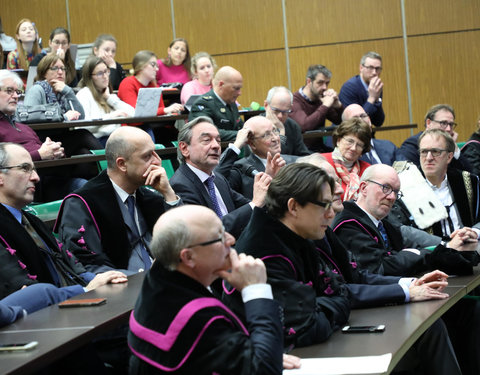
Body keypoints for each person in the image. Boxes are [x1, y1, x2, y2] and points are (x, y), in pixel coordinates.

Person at [331, 163, 480, 374]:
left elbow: (398, 257)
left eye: (396, 191)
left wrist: (411, 256)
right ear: (363, 188)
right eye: (385, 188)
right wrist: (414, 255)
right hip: (372, 311)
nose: (392, 197)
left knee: (469, 311)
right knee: (433, 327)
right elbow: (379, 268)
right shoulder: (348, 223)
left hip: (397, 297)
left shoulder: (382, 221)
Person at [128, 205, 294, 374]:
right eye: (220, 237)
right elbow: (265, 370)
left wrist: (262, 349)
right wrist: (256, 290)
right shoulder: (196, 318)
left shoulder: (158, 282)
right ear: (188, 257)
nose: (231, 240)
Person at [0, 142, 127, 300]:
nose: (36, 177)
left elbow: (72, 267)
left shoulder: (31, 221)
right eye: (25, 168)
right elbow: (23, 292)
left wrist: (98, 279)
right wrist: (85, 290)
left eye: (34, 169)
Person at [55, 126, 181, 275]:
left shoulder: (149, 196)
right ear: (122, 164)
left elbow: (184, 242)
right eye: (147, 156)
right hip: (125, 288)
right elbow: (88, 265)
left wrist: (169, 194)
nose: (157, 162)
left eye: (156, 153)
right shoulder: (81, 204)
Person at [170, 116, 271, 238]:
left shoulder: (217, 178)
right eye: (207, 140)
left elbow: (247, 204)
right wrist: (255, 204)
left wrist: (267, 188)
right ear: (185, 149)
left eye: (218, 140)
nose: (216, 146)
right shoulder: (180, 185)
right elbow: (210, 231)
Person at [0, 70, 92, 201]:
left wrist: (56, 152)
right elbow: (4, 163)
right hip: (22, 186)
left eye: (17, 92)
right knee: (83, 138)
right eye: (9, 91)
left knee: (85, 158)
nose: (15, 96)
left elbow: (48, 156)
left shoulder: (24, 128)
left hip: (49, 177)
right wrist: (40, 154)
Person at [391, 129, 480, 240]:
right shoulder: (405, 187)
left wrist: (475, 232)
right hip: (430, 252)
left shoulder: (468, 181)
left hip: (469, 246)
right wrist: (445, 245)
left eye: (435, 152)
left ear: (449, 157)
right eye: (424, 152)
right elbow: (401, 231)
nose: (428, 158)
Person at [216, 115, 296, 199]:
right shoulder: (241, 169)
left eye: (275, 131)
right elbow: (216, 178)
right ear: (252, 144)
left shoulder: (295, 161)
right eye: (267, 135)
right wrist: (238, 143)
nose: (275, 138)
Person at [118, 50, 183, 140]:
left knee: (179, 137)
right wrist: (165, 110)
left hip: (152, 125)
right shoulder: (128, 83)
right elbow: (136, 114)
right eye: (153, 65)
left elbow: (160, 112)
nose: (156, 69)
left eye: (157, 65)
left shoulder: (153, 85)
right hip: (133, 129)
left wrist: (170, 111)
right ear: (141, 66)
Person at [77, 55, 134, 145]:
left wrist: (109, 98)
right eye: (100, 73)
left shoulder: (107, 94)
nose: (105, 76)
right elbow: (84, 125)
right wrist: (112, 116)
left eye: (106, 71)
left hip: (116, 138)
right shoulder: (84, 94)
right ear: (90, 77)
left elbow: (132, 114)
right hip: (99, 141)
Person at [399, 104, 471, 171]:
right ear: (429, 123)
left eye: (451, 124)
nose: (448, 129)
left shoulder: (449, 147)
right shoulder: (412, 144)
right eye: (443, 123)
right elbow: (410, 175)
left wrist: (454, 149)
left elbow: (469, 174)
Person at [290, 64, 343, 152]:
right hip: (302, 152)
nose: (324, 87)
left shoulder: (320, 98)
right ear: (309, 81)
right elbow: (305, 126)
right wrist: (325, 106)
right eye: (320, 83)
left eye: (327, 83)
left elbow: (339, 121)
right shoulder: (294, 100)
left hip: (319, 149)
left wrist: (338, 106)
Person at [321, 118, 372, 201]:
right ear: (338, 140)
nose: (353, 148)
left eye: (359, 145)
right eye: (350, 141)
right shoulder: (322, 162)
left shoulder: (367, 170)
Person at [188, 66, 244, 141]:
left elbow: (239, 126)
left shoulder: (231, 102)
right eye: (236, 88)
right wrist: (243, 135)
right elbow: (209, 133)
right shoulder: (202, 104)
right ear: (221, 85)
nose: (239, 93)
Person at [339, 51, 385, 127]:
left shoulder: (376, 87)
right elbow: (355, 123)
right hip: (348, 135)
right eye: (370, 68)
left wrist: (376, 101)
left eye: (377, 68)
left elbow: (378, 122)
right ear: (361, 68)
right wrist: (372, 98)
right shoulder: (349, 87)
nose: (374, 72)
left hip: (366, 134)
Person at [264, 86, 310, 156]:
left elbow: (304, 155)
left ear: (290, 108)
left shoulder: (293, 126)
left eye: (285, 112)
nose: (280, 116)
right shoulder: (256, 125)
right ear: (266, 105)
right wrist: (281, 131)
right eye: (276, 111)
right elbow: (275, 156)